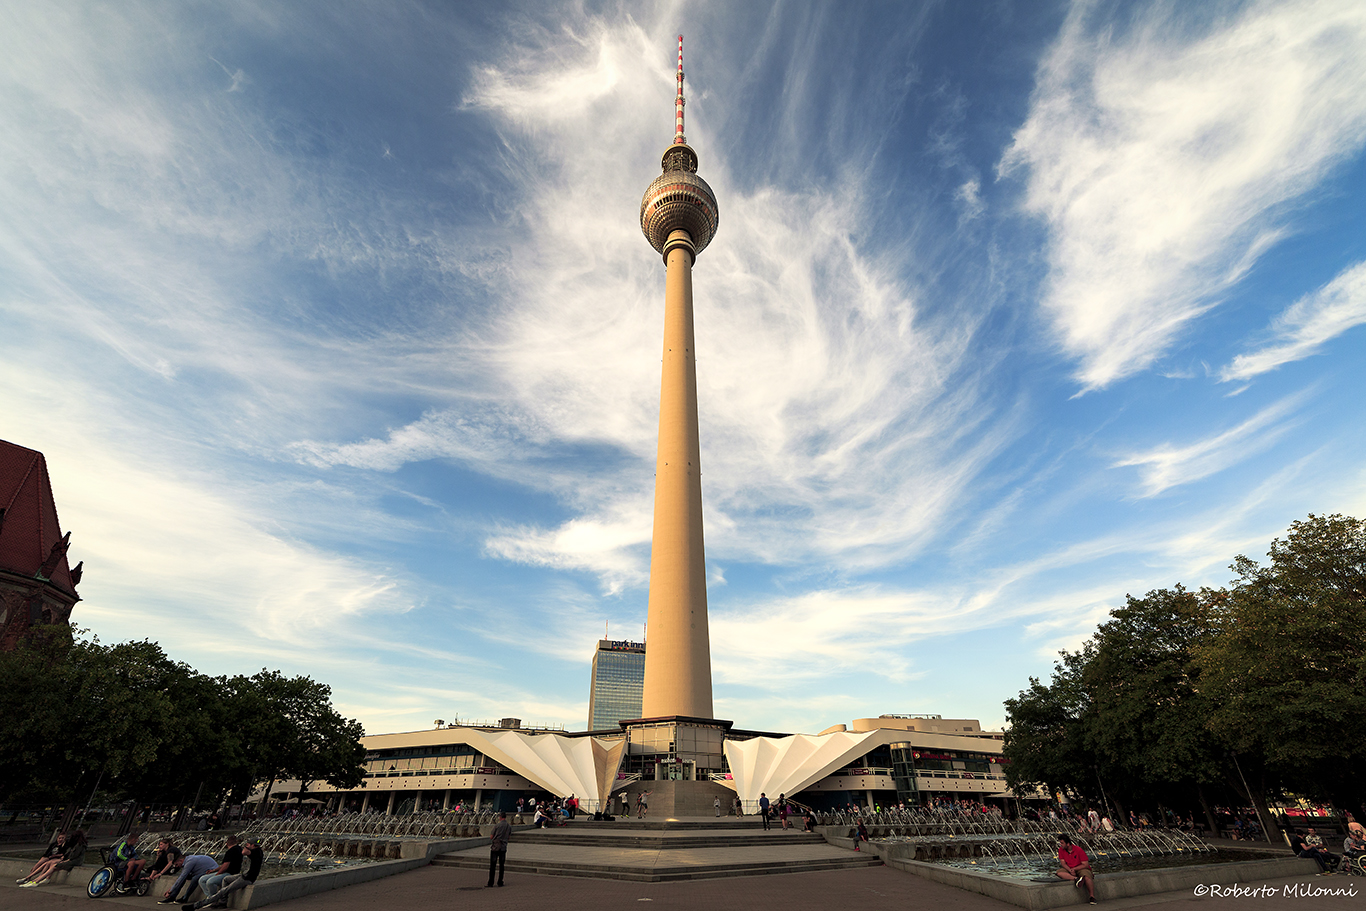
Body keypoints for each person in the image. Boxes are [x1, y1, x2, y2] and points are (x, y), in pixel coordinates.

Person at [186, 841, 261, 910]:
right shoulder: (256, 850)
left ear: (253, 845)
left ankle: (197, 905)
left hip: (247, 879)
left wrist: (246, 847)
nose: (245, 845)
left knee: (224, 891)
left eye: (247, 844)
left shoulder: (256, 852)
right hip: (243, 875)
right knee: (226, 879)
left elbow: (243, 852)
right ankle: (223, 902)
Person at [1055, 834, 1096, 904]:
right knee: (1059, 873)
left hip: (1080, 868)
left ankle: (1092, 896)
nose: (1060, 844)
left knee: (1087, 877)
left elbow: (1085, 864)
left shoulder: (1078, 850)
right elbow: (1063, 863)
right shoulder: (1061, 850)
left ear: (1068, 844)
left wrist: (1074, 869)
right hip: (1069, 868)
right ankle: (1076, 879)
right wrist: (1070, 870)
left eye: (1062, 843)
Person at [488, 811, 512, 888]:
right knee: (502, 865)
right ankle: (500, 881)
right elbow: (509, 837)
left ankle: (491, 882)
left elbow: (491, 836)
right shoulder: (508, 826)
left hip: (495, 847)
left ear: (500, 817)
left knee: (493, 865)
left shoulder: (497, 825)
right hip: (503, 847)